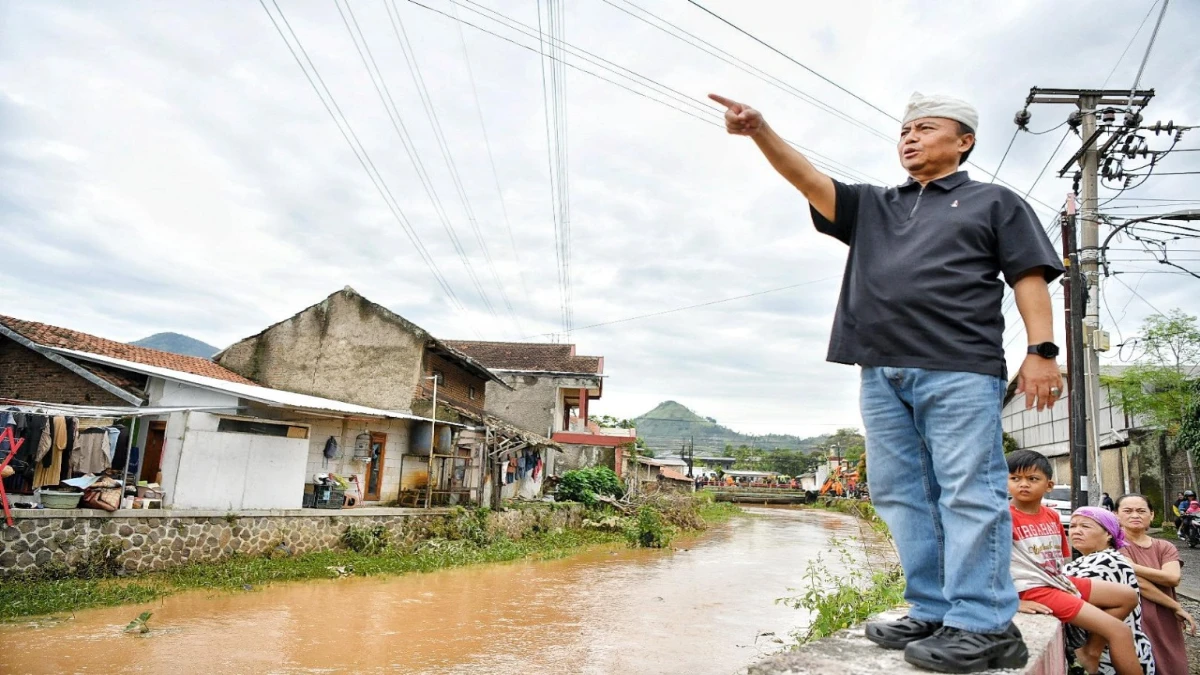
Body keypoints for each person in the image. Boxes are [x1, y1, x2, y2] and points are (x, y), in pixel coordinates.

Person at [709, 89, 1065, 672]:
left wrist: (1042, 351)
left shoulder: (994, 202)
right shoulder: (875, 204)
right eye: (905, 130)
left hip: (959, 367)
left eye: (926, 128)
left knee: (968, 492)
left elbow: (1029, 276)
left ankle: (985, 623)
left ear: (963, 141)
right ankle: (932, 606)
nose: (910, 137)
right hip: (881, 371)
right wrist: (760, 131)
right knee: (900, 492)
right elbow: (808, 180)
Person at [1007, 450, 1142, 675]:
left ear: (1048, 485)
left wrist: (1065, 586)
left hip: (1055, 581)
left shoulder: (1051, 515)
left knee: (1127, 596)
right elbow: (983, 563)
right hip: (1032, 589)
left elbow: (1058, 559)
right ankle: (1089, 657)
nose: (1023, 484)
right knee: (1119, 632)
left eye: (1032, 479)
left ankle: (1090, 652)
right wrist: (1011, 601)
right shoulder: (1003, 517)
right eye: (1015, 478)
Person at [1062, 507, 1156, 674]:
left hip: (1113, 661)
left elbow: (1065, 591)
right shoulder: (1084, 561)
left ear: (1108, 534)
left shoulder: (1108, 560)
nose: (1076, 531)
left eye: (1085, 526)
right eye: (1073, 526)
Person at [1116, 493, 1196, 674]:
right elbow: (1139, 584)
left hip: (1165, 616)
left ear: (1151, 515)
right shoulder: (1115, 545)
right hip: (1133, 616)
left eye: (1141, 511)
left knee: (1173, 664)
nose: (1135, 515)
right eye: (1128, 511)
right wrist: (1175, 605)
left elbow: (1172, 578)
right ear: (1116, 515)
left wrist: (1130, 567)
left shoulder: (1164, 546)